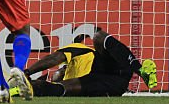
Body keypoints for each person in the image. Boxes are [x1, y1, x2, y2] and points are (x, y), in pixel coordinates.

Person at [10, 28, 157, 97]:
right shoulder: (70, 83)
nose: (55, 75)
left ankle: (140, 70)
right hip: (109, 84)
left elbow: (54, 58)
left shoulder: (78, 51)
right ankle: (16, 91)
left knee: (98, 36)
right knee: (60, 89)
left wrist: (26, 72)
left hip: (109, 65)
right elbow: (49, 86)